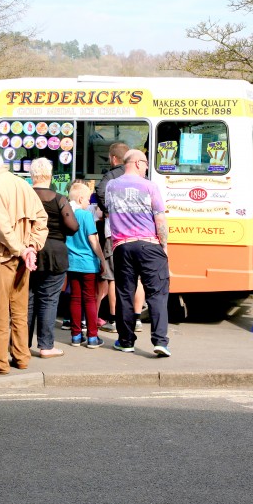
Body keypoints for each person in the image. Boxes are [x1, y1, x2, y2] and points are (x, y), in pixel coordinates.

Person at [0, 152, 48, 374]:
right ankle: (21, 356)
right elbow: (41, 220)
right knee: (19, 310)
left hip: (1, 257)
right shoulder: (22, 184)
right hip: (22, 257)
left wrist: (24, 249)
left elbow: (2, 227)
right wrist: (31, 247)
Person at [105, 149, 170, 356]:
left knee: (124, 292)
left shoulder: (111, 186)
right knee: (157, 293)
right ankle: (160, 341)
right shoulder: (149, 186)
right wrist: (164, 246)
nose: (147, 168)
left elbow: (109, 211)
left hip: (122, 246)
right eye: (146, 164)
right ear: (138, 163)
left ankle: (125, 341)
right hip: (149, 245)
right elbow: (160, 219)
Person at [27, 158, 78, 358]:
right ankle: (46, 346)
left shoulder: (26, 197)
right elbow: (73, 227)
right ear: (50, 175)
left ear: (32, 176)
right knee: (48, 300)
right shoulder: (60, 199)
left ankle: (23, 346)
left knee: (28, 299)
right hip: (55, 253)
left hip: (29, 251)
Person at [95, 142, 145, 334]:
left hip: (116, 234)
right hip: (139, 234)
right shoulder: (142, 178)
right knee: (137, 277)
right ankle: (137, 318)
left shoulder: (111, 176)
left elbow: (100, 193)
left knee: (114, 278)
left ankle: (115, 320)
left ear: (114, 159)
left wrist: (109, 210)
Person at [67, 182, 108, 348]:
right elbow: (93, 240)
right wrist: (102, 259)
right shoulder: (85, 216)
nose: (88, 203)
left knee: (75, 299)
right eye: (87, 200)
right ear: (80, 198)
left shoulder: (66, 214)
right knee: (90, 299)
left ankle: (76, 336)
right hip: (88, 263)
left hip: (71, 263)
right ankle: (92, 337)